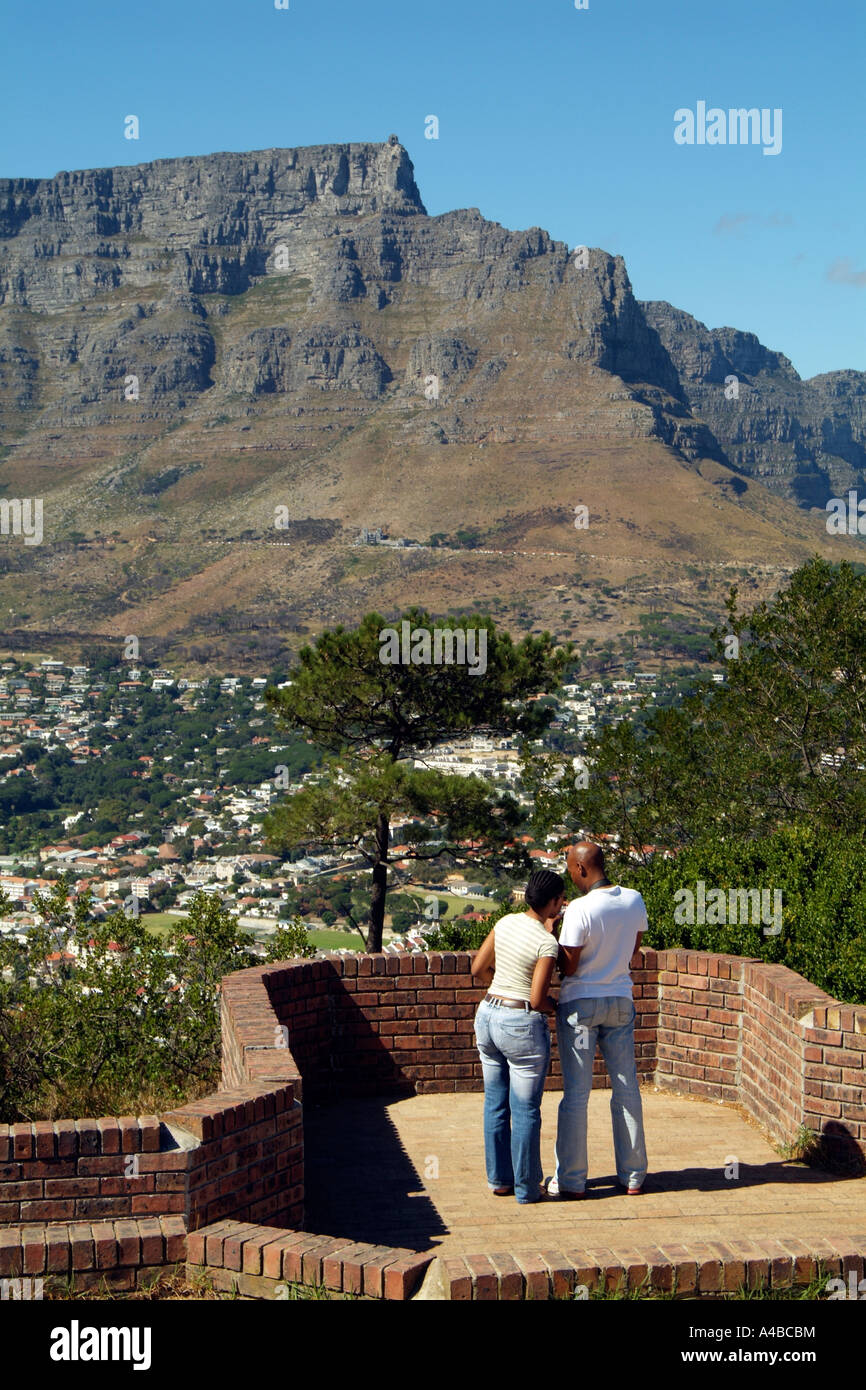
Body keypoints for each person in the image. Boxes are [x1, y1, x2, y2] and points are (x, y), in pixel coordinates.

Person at [548, 841, 648, 1198]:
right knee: (626, 1087)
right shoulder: (634, 899)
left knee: (577, 1093)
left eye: (570, 869)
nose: (570, 877)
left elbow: (570, 964)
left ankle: (572, 1180)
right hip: (620, 1000)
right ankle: (634, 1175)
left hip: (581, 1008)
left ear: (582, 869)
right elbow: (633, 951)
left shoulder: (579, 909)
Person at [471, 870, 566, 1204]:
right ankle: (527, 1189)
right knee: (526, 1110)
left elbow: (478, 969)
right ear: (553, 902)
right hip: (521, 1024)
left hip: (488, 1014)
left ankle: (499, 1180)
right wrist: (559, 1007)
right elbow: (538, 999)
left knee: (495, 1103)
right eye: (560, 900)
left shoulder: (506, 922)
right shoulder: (546, 943)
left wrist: (504, 984)